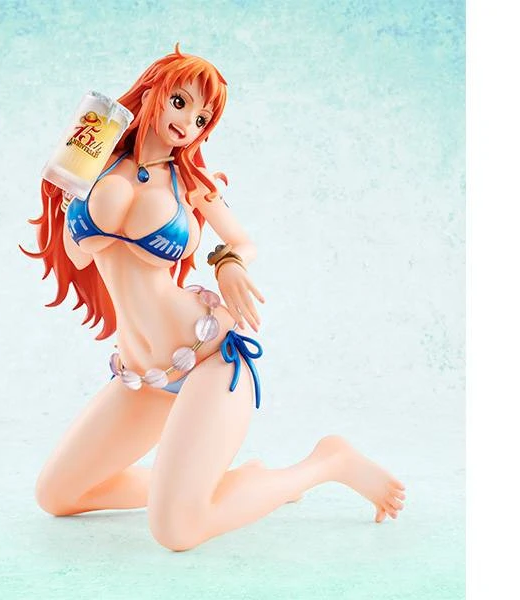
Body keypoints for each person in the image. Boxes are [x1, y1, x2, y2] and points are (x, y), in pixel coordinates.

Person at [22, 44, 406, 552]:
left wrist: (227, 263)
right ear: (152, 93)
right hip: (142, 374)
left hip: (207, 357)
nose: (188, 123)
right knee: (57, 494)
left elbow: (242, 241)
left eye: (202, 118)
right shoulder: (96, 163)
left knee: (176, 530)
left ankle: (325, 463)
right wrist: (67, 189)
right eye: (180, 102)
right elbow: (78, 253)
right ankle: (221, 488)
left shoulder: (190, 184)